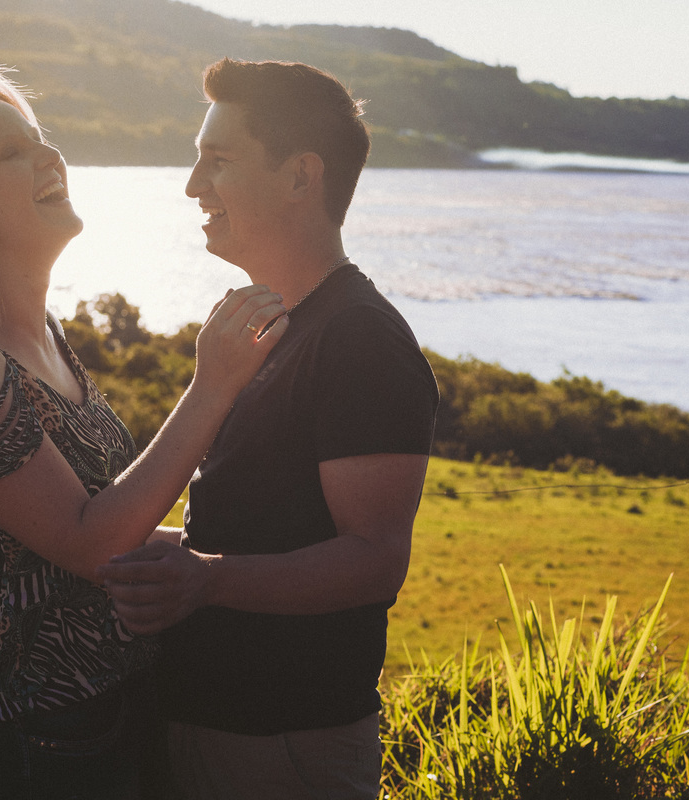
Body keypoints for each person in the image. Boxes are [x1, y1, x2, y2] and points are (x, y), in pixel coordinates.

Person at [0, 62, 287, 800]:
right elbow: (92, 542)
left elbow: (98, 533)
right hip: (33, 748)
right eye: (12, 153)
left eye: (40, 141)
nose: (49, 159)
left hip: (111, 718)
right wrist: (214, 383)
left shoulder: (42, 334)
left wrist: (258, 557)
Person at [98, 59, 440, 799]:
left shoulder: (359, 339)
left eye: (217, 162)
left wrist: (208, 581)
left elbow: (375, 560)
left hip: (285, 746)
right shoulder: (274, 327)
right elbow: (260, 524)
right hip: (218, 727)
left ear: (299, 177)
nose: (193, 186)